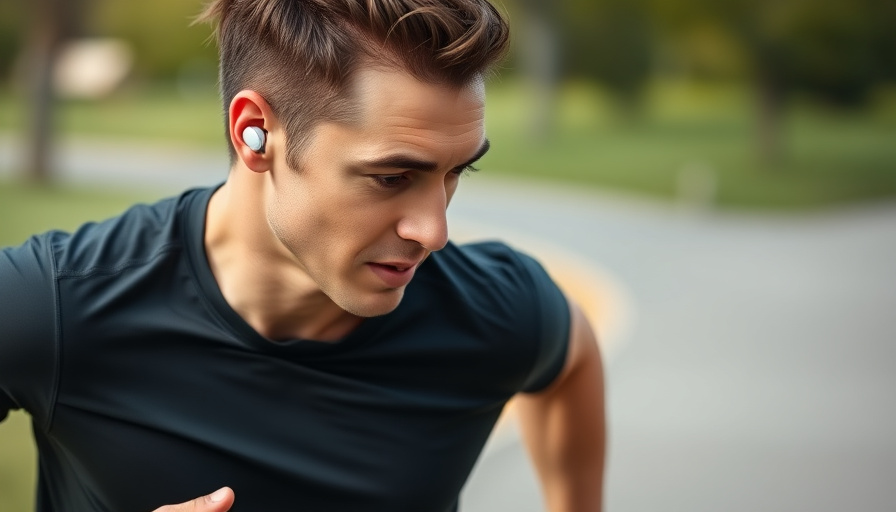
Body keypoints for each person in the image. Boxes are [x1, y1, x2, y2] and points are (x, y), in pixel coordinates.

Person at [0, 0, 606, 510]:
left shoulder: (491, 310)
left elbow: (571, 355)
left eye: (456, 171)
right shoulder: (48, 306)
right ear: (255, 132)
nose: (433, 232)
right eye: (392, 177)